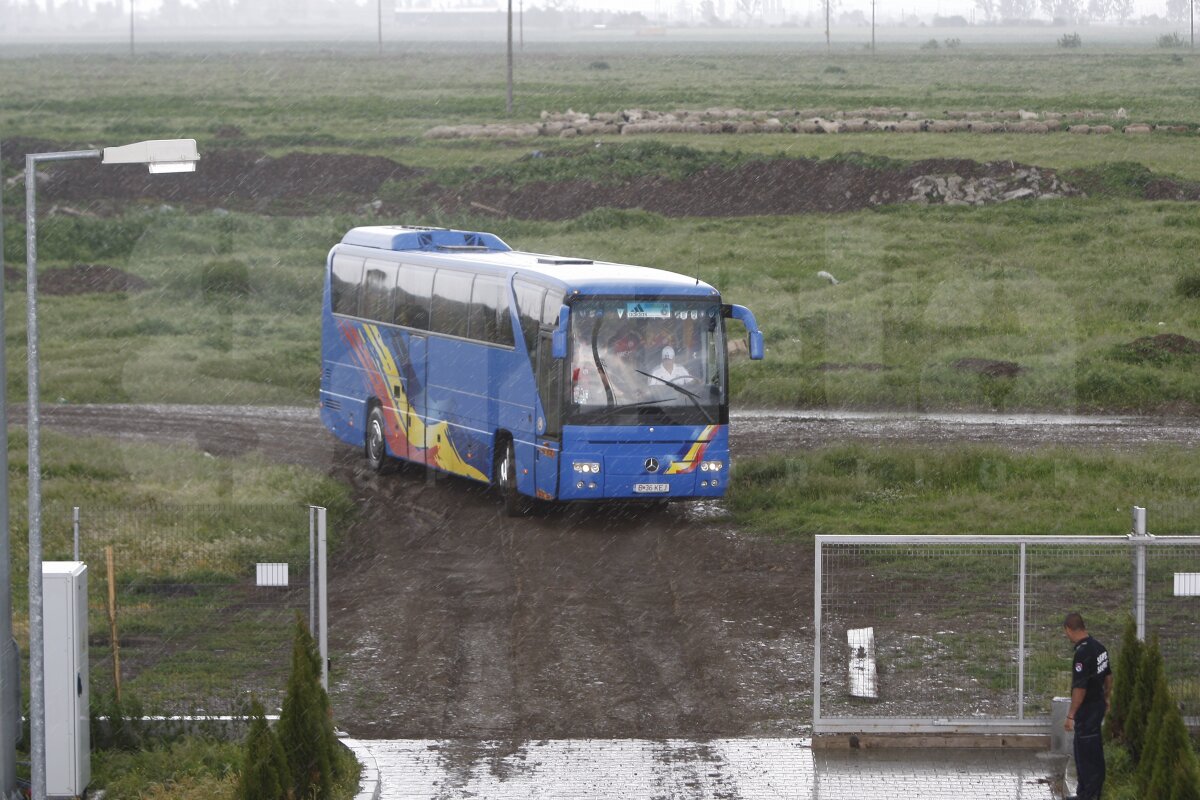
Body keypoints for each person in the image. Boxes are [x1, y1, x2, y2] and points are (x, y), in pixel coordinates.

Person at [1063, 612, 1112, 800]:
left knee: (1087, 753)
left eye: (1065, 632)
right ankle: (1085, 792)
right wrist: (1106, 698)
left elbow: (1080, 688)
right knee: (1089, 748)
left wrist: (1071, 715)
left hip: (1087, 708)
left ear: (1069, 629)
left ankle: (1089, 795)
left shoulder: (1082, 653)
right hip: (1097, 703)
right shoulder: (1100, 648)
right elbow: (1108, 677)